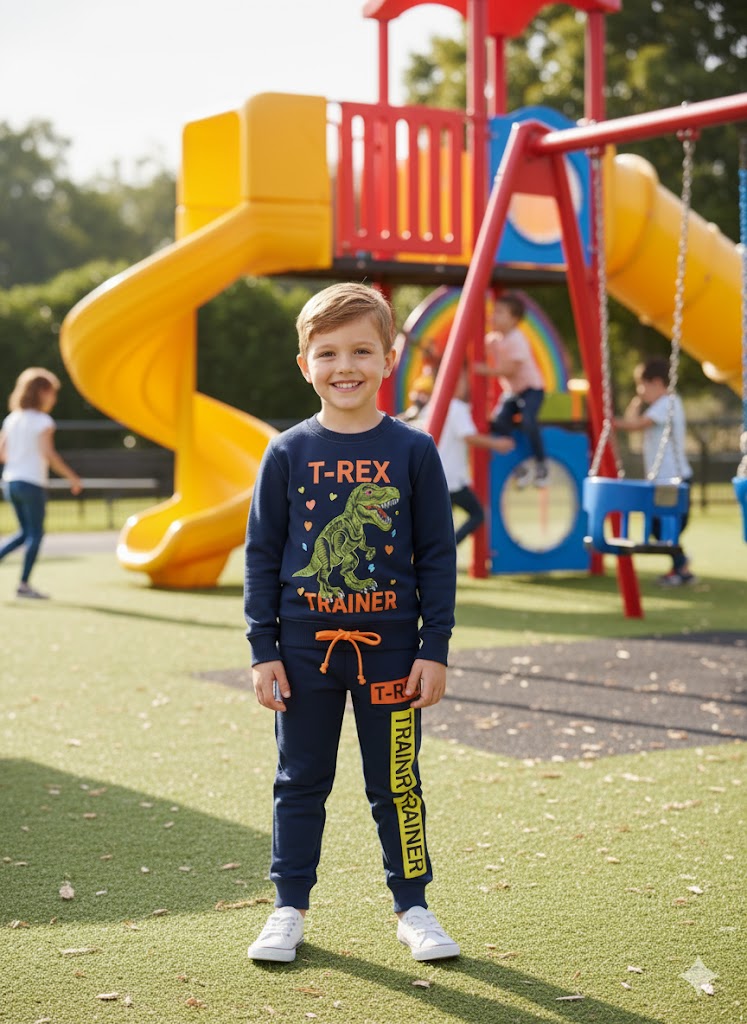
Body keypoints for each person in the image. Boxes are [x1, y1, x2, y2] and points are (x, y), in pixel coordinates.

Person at [244, 283, 460, 964]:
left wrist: (433, 647)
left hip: (391, 653)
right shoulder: (285, 453)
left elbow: (436, 556)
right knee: (299, 780)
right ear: (305, 364)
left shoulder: (413, 451)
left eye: (362, 350)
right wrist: (263, 649)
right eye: (329, 352)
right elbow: (262, 556)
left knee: (397, 782)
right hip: (302, 652)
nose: (346, 366)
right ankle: (288, 908)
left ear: (389, 359)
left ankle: (413, 906)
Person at [0, 368, 82, 599]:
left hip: (10, 482)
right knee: (35, 533)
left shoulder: (12, 419)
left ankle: (23, 583)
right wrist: (72, 477)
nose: (54, 399)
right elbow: (49, 454)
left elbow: (2, 453)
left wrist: (19, 456)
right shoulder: (43, 421)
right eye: (52, 393)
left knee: (24, 533)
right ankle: (24, 585)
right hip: (31, 483)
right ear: (42, 392)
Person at [613, 357, 695, 586]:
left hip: (674, 479)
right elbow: (633, 420)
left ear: (657, 383)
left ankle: (681, 568)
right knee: (659, 529)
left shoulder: (668, 403)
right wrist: (637, 400)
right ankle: (681, 566)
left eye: (642, 386)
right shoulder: (660, 405)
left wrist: (610, 422)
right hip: (662, 479)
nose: (640, 391)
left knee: (666, 529)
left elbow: (635, 425)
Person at [418, 369, 514, 546]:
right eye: (462, 381)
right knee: (477, 514)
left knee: (440, 522)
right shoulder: (456, 407)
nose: (466, 385)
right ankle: (447, 548)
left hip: (433, 475)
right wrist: (497, 444)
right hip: (451, 478)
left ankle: (437, 550)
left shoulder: (433, 406)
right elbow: (468, 436)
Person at [475, 292, 547, 487]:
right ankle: (519, 465)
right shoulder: (495, 339)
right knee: (499, 422)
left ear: (514, 319)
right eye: (493, 311)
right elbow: (478, 347)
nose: (493, 316)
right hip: (513, 393)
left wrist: (482, 370)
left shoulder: (517, 339)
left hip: (532, 389)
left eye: (499, 312)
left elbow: (510, 370)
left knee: (528, 420)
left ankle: (541, 463)